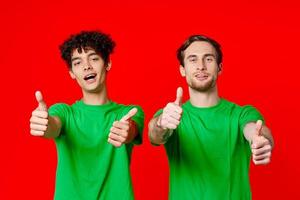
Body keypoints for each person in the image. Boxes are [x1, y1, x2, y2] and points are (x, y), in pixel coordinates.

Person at [148, 35, 274, 200]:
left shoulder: (241, 114)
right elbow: (154, 134)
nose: (201, 66)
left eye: (208, 59)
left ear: (219, 68)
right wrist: (161, 123)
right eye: (193, 60)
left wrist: (261, 141)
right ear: (182, 70)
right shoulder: (171, 114)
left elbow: (254, 129)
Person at [30, 31, 144, 200]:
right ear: (71, 72)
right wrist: (44, 123)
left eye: (94, 58)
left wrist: (127, 130)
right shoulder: (64, 112)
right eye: (78, 62)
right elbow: (53, 125)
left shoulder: (128, 113)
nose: (87, 66)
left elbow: (132, 129)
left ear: (108, 63)